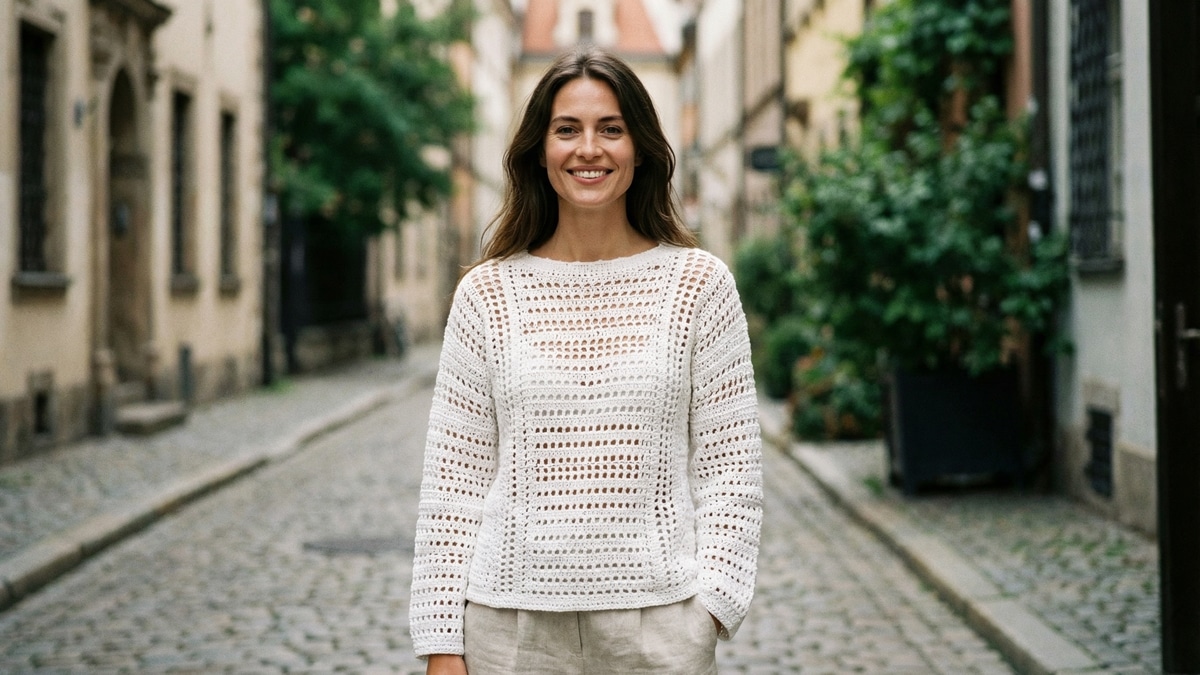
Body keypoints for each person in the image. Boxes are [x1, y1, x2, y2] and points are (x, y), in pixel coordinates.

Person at [409, 46, 763, 675]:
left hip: (659, 629)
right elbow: (452, 486)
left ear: (641, 148)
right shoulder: (487, 294)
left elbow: (730, 470)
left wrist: (712, 610)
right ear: (539, 151)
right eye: (567, 129)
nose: (588, 149)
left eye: (611, 129)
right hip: (508, 630)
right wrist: (442, 644)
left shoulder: (699, 286)